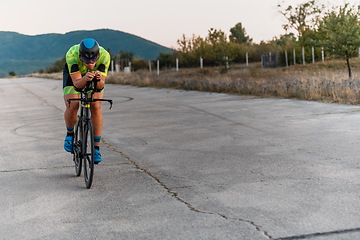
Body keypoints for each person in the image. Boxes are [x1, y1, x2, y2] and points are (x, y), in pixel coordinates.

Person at [62, 38, 110, 163]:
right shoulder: (72, 54)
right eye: (85, 59)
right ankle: (70, 134)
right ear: (80, 55)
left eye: (93, 59)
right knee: (73, 103)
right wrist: (85, 79)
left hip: (94, 77)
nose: (89, 63)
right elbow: (77, 84)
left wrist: (98, 80)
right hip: (75, 77)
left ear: (98, 56)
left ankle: (96, 148)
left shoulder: (105, 56)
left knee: (96, 106)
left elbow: (101, 86)